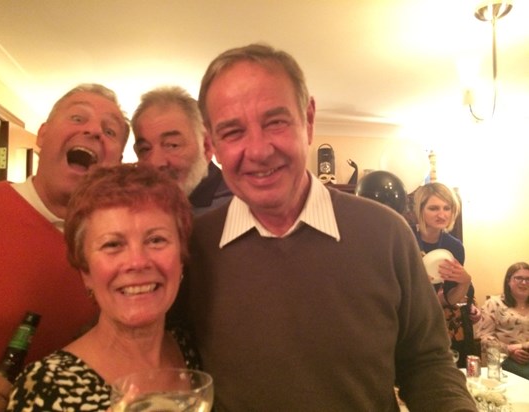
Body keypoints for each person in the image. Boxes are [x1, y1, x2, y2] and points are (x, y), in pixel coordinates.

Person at [181, 43, 477, 410]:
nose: (257, 151)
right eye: (232, 131)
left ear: (307, 119)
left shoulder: (386, 235)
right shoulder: (194, 248)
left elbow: (428, 364)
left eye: (275, 122)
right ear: (212, 144)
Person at [0, 84, 130, 412]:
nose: (93, 130)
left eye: (109, 130)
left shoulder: (122, 250)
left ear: (116, 163)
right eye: (78, 117)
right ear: (42, 135)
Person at [6, 163, 200, 411]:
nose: (137, 262)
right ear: (85, 271)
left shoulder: (191, 347)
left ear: (181, 260)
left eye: (156, 240)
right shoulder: (45, 387)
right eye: (112, 245)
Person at [131, 86, 231, 214]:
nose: (155, 162)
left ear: (206, 146)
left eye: (172, 145)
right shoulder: (136, 209)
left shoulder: (239, 205)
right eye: (145, 149)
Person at [413, 182, 480, 367]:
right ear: (420, 210)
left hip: (437, 322)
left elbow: (449, 300)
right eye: (433, 208)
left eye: (446, 208)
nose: (441, 214)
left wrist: (465, 283)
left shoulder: (454, 246)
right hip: (408, 320)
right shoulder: (406, 238)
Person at [476, 262, 529, 379]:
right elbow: (483, 340)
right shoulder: (494, 304)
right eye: (519, 278)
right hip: (503, 360)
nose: (524, 282)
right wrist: (510, 350)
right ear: (508, 281)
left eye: (528, 279)